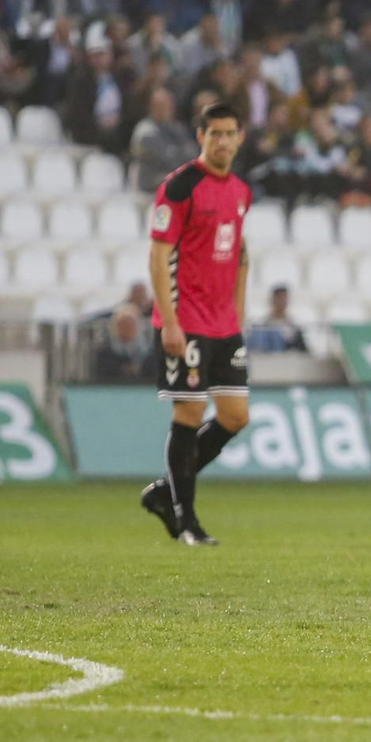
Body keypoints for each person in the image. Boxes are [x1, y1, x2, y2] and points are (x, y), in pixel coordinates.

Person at [138, 101, 253, 547]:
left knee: (236, 416)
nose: (222, 141)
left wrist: (239, 314)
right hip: (185, 320)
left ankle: (166, 493)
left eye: (229, 133)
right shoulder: (180, 187)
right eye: (214, 133)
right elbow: (158, 253)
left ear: (240, 137)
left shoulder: (242, 191)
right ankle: (186, 521)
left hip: (225, 324)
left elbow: (241, 255)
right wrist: (168, 322)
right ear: (200, 137)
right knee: (189, 413)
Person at [246, 284, 309, 353]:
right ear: (272, 300)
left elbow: (304, 351)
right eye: (279, 298)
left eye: (284, 298)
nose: (282, 302)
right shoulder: (262, 326)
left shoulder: (294, 327)